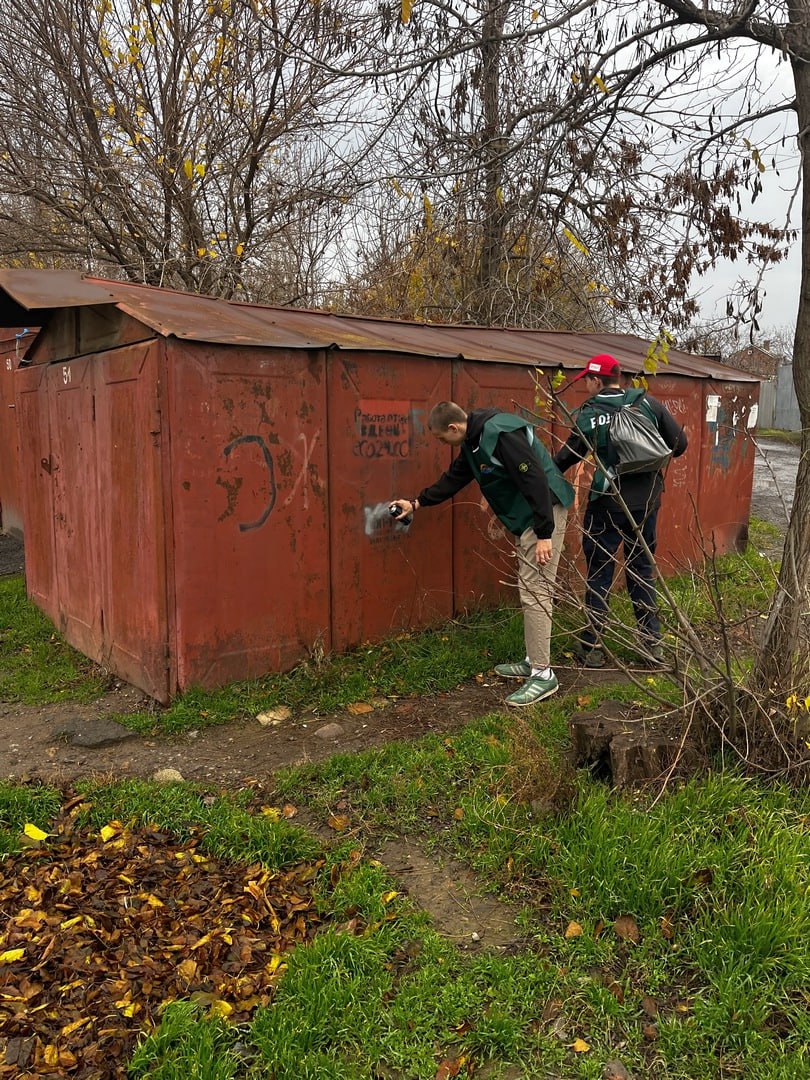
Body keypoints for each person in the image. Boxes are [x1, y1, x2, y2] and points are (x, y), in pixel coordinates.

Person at [391, 401, 574, 707]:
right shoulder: (474, 441)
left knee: (536, 591)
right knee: (530, 588)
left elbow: (535, 478)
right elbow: (454, 479)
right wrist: (417, 503)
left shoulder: (500, 434)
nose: (441, 444)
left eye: (440, 438)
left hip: (544, 512)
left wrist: (545, 532)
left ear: (453, 428)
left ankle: (543, 676)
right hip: (531, 516)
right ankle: (534, 660)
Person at [553, 354, 688, 668]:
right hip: (646, 503)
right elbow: (679, 445)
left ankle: (592, 648)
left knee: (600, 572)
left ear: (597, 381)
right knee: (641, 570)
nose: (586, 385)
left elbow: (566, 458)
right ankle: (651, 647)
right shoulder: (647, 404)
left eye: (587, 379)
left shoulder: (590, 413)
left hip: (607, 502)